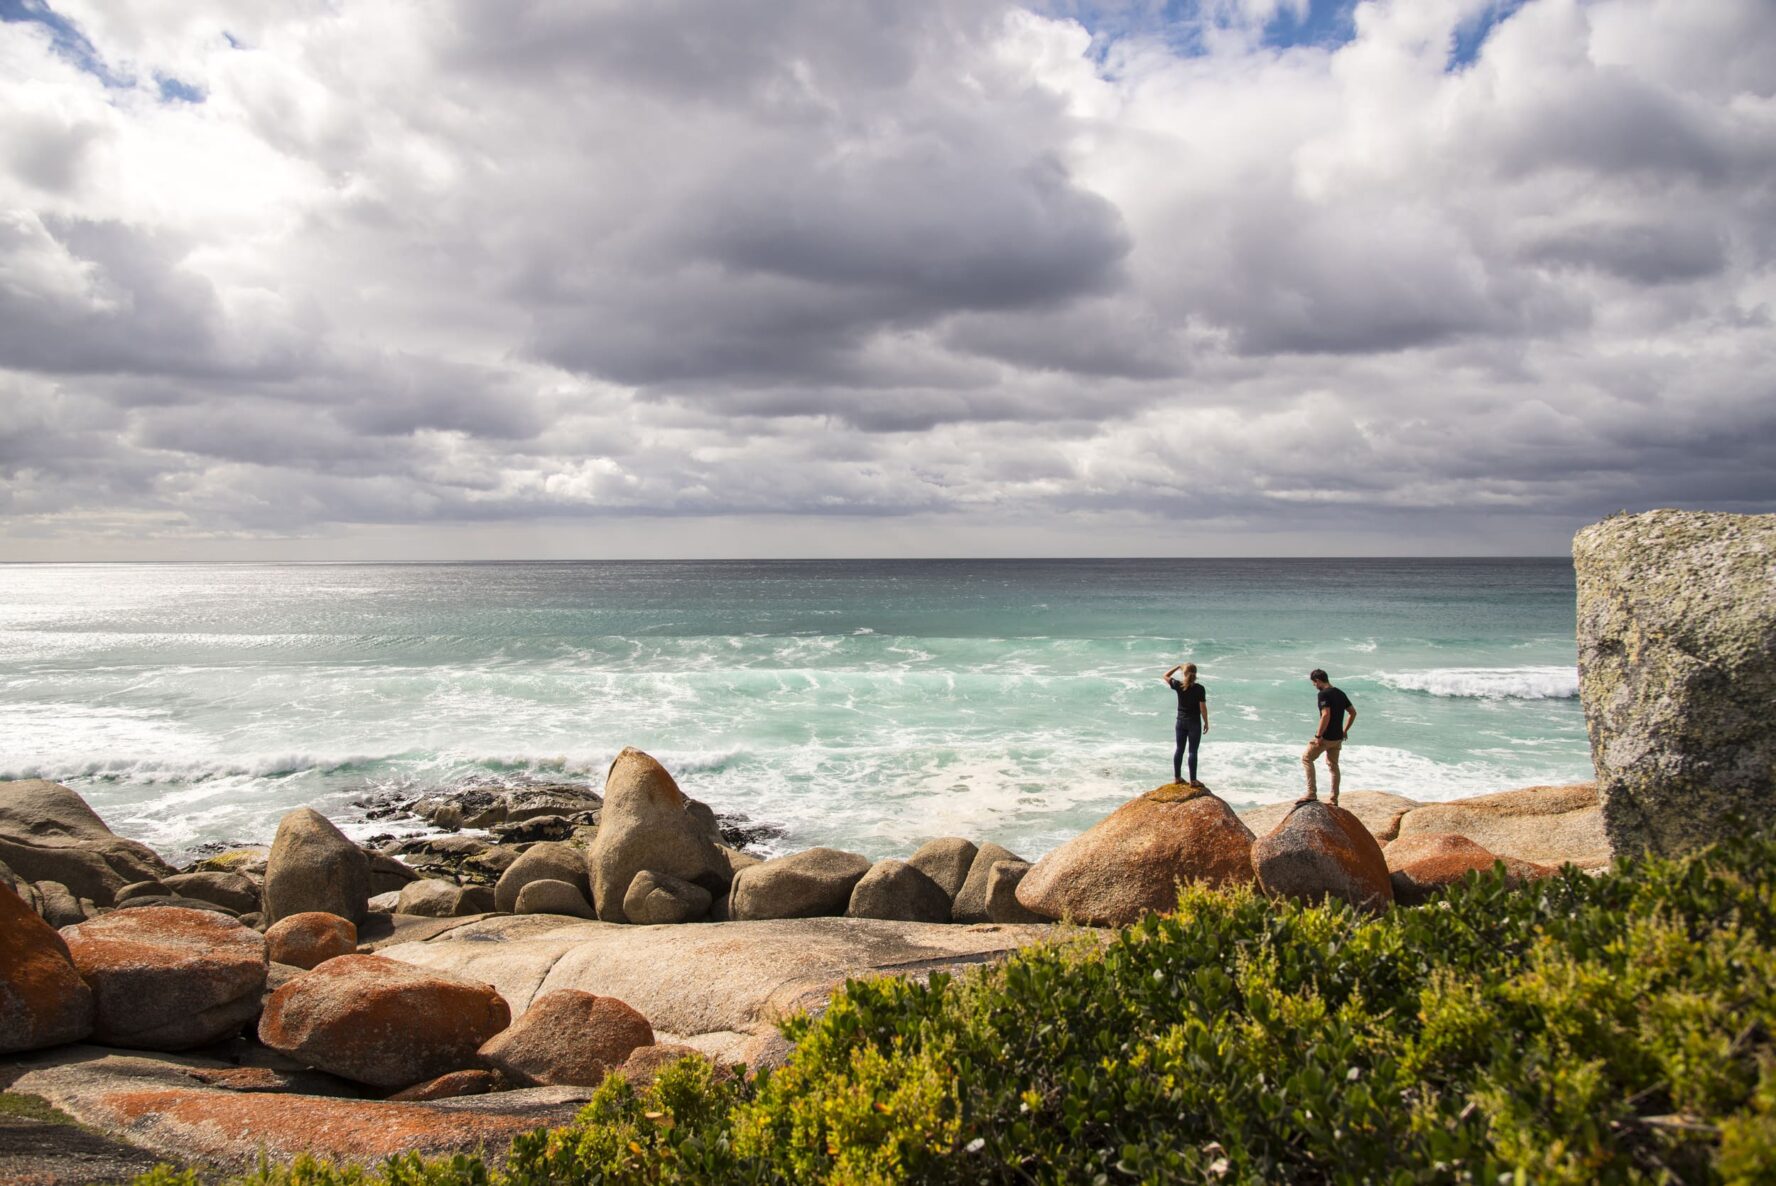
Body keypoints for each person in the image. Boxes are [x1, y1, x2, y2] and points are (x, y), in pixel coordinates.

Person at [1301, 668, 1355, 804]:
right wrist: (1345, 730)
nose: (1314, 686)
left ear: (1318, 680)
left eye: (1314, 683)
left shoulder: (1323, 694)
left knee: (1306, 758)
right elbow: (1353, 712)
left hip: (1326, 737)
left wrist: (1318, 736)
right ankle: (1334, 799)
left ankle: (1311, 793)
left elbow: (1326, 715)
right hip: (1337, 738)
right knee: (1333, 766)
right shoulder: (1340, 693)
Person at [1161, 662, 1209, 785]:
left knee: (1179, 749)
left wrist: (1177, 666)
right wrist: (1206, 722)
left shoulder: (1178, 685)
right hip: (1194, 723)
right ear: (1196, 673)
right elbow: (1203, 708)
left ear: (1184, 673)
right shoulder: (1199, 688)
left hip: (1180, 722)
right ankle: (1193, 780)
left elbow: (1165, 675)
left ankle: (1177, 778)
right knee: (1192, 751)